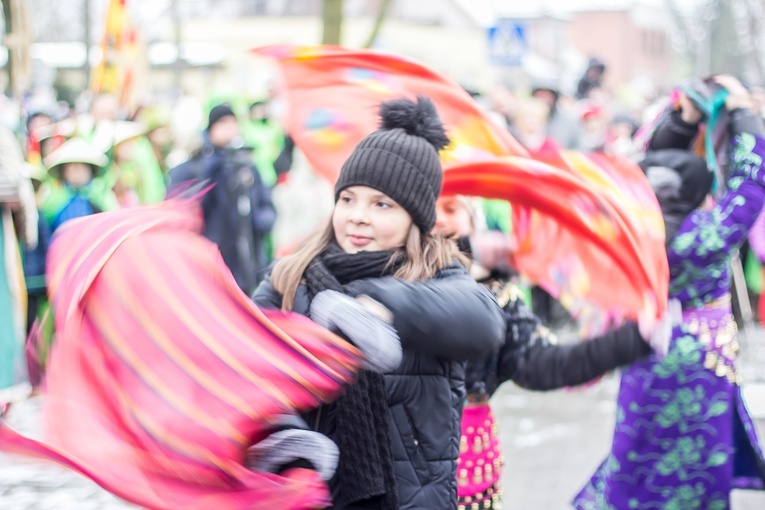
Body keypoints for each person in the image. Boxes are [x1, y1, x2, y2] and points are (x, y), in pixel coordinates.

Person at [252, 96, 506, 509]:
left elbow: (484, 321)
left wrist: (377, 300)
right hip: (313, 496)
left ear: (415, 219)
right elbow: (249, 368)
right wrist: (287, 443)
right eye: (348, 198)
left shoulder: (437, 275)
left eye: (382, 204)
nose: (357, 216)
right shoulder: (289, 277)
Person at [574, 75, 765, 509]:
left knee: (641, 454)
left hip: (645, 353)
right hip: (701, 361)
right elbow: (750, 184)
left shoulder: (629, 234)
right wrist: (743, 114)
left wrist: (683, 120)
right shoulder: (703, 237)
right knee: (695, 469)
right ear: (699, 194)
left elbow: (649, 161)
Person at [433, 195, 664, 510]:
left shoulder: (499, 298)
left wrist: (630, 339)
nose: (438, 218)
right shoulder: (391, 281)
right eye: (428, 206)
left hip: (471, 468)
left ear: (475, 222)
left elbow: (543, 364)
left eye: (450, 208)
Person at [168, 104, 276, 294]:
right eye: (223, 122)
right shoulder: (195, 167)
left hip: (246, 262)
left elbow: (267, 204)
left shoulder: (247, 167)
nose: (230, 128)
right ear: (210, 129)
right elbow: (182, 207)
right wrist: (216, 172)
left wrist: (259, 221)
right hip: (208, 262)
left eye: (233, 122)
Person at [39, 137, 117, 232]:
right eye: (72, 167)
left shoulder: (102, 197)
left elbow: (114, 224)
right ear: (64, 171)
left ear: (90, 170)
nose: (77, 172)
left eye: (81, 167)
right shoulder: (54, 200)